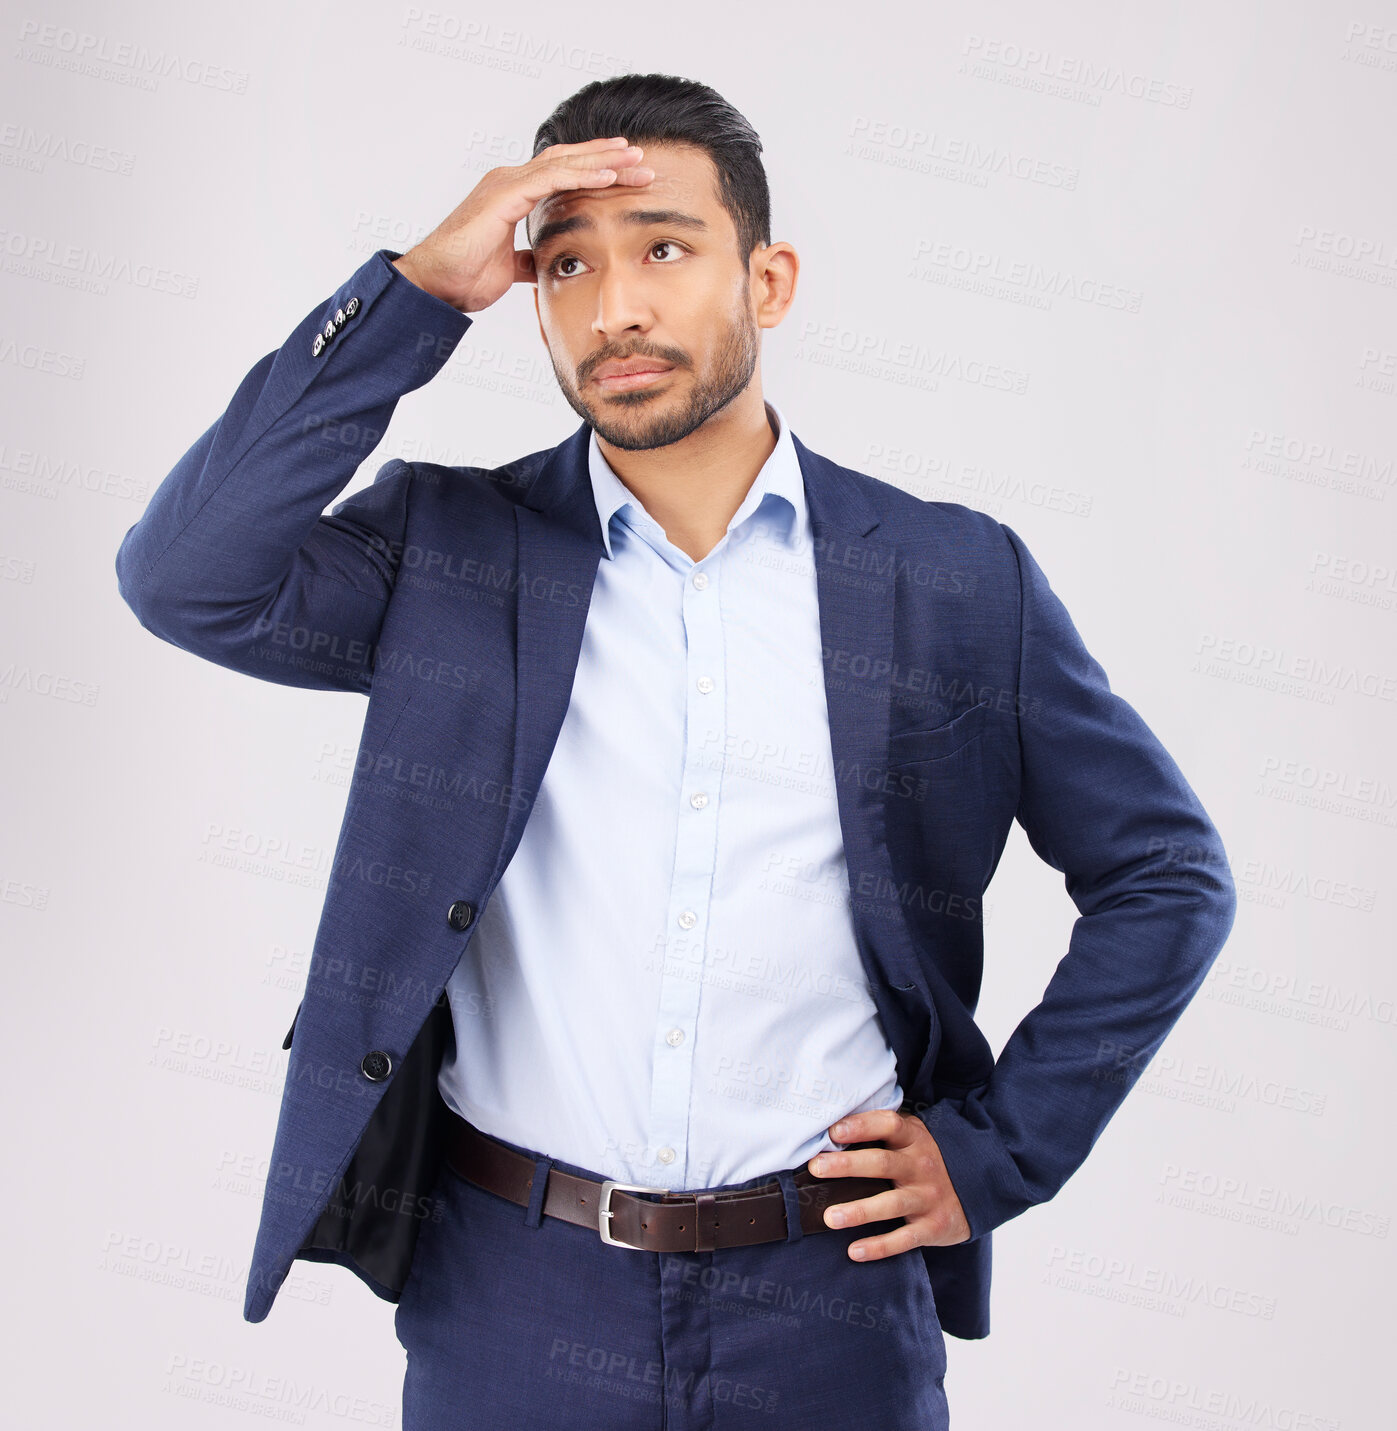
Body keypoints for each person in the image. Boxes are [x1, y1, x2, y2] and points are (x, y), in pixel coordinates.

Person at [114, 72, 1237, 1431]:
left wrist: (995, 1153)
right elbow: (186, 577)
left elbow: (1165, 871)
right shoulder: (450, 554)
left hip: (826, 1295)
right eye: (566, 263)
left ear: (767, 280)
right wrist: (419, 291)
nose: (614, 308)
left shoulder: (950, 580)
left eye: (661, 247)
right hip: (511, 1292)